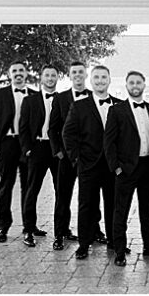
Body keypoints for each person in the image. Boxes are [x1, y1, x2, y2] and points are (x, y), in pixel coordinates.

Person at [103, 71, 149, 266]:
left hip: (148, 166)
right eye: (131, 82)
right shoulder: (117, 110)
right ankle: (120, 251)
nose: (135, 85)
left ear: (144, 84)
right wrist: (116, 168)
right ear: (126, 85)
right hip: (126, 168)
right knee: (120, 211)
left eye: (138, 82)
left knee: (147, 209)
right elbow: (109, 142)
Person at [62, 65, 121, 260]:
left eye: (104, 77)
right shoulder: (79, 106)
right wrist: (77, 159)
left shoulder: (120, 106)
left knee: (113, 204)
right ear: (91, 80)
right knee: (86, 204)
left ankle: (115, 242)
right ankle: (84, 244)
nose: (100, 81)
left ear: (109, 80)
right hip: (88, 165)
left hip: (113, 166)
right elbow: (68, 134)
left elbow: (126, 136)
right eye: (96, 78)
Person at [0, 61, 37, 244]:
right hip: (6, 144)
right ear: (9, 74)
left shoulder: (35, 95)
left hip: (27, 146)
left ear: (26, 73)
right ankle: (3, 227)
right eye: (14, 71)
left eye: (21, 70)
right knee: (6, 186)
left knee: (28, 188)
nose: (18, 73)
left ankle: (29, 229)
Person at [48, 61, 95, 250]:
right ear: (69, 75)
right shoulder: (60, 98)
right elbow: (53, 128)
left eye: (80, 72)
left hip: (90, 157)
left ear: (85, 75)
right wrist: (58, 152)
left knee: (91, 197)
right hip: (66, 157)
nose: (77, 75)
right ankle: (60, 233)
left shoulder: (94, 96)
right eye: (74, 72)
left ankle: (94, 231)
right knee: (63, 196)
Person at [17, 65, 59, 247]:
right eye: (47, 75)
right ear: (41, 78)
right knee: (32, 190)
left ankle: (62, 230)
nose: (50, 78)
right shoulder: (30, 101)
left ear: (57, 78)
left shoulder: (63, 100)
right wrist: (28, 149)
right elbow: (23, 127)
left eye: (53, 75)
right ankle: (29, 229)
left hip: (57, 150)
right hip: (37, 148)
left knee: (62, 191)